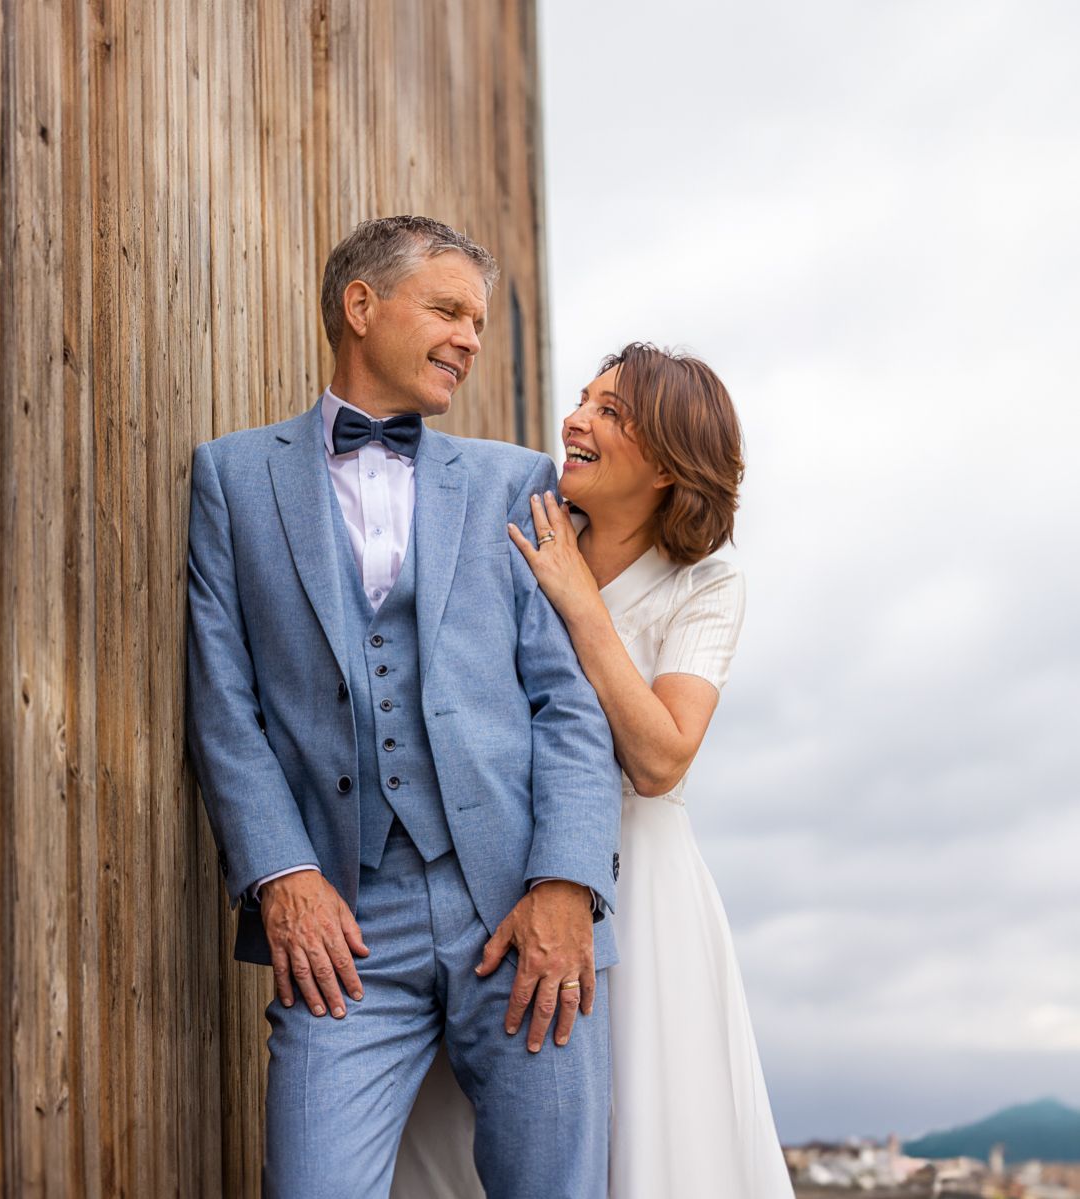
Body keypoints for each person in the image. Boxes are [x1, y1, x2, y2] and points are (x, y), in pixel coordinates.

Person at [184, 214, 622, 1199]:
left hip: (519, 908)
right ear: (360, 305)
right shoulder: (231, 477)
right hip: (340, 921)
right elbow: (224, 701)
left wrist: (565, 882)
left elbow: (568, 704)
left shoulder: (518, 482)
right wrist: (281, 870)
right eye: (449, 309)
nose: (471, 336)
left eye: (478, 318)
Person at [392, 344, 794, 1198]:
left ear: (666, 464)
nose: (575, 420)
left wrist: (576, 599)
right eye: (583, 399)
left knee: (646, 1131)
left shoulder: (706, 585)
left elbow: (659, 757)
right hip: (498, 865)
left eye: (611, 413)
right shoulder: (516, 530)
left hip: (641, 888)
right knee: (450, 1139)